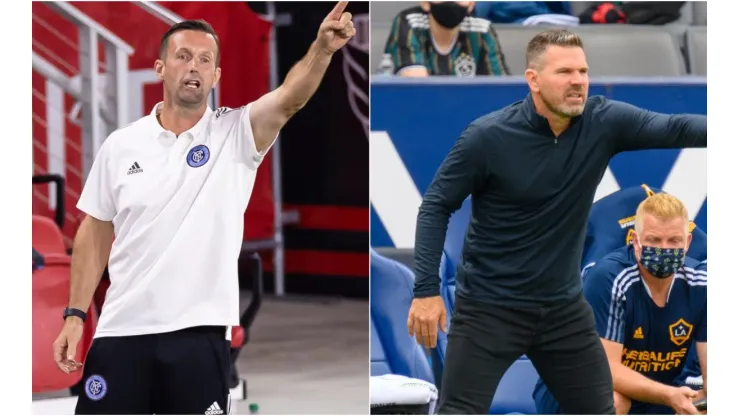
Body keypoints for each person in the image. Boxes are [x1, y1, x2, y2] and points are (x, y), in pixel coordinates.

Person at [51, 4, 356, 414]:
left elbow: (288, 100)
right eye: (182, 56)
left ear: (216, 76)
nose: (193, 66)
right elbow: (95, 230)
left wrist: (322, 50)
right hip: (121, 330)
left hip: (198, 336)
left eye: (205, 59)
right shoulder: (121, 145)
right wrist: (74, 315)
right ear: (160, 68)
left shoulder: (236, 133)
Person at [406, 28, 706, 414]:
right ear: (533, 79)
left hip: (563, 311)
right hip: (488, 309)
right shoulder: (487, 137)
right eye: (565, 72)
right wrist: (427, 289)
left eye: (583, 71)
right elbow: (435, 206)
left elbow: (675, 127)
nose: (578, 81)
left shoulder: (603, 121)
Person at [533, 193, 707, 415]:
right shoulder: (610, 277)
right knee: (613, 401)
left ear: (688, 242)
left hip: (651, 395)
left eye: (674, 241)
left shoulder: (701, 282)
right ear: (635, 240)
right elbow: (606, 371)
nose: (664, 249)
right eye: (653, 240)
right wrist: (668, 395)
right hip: (574, 388)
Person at [383, 1, 509, 76]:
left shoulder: (482, 29)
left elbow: (500, 86)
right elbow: (416, 87)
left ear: (471, 4)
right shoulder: (409, 22)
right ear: (425, 3)